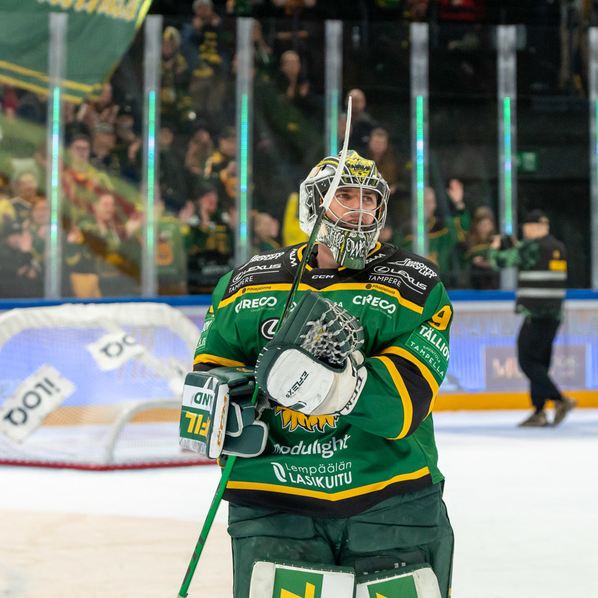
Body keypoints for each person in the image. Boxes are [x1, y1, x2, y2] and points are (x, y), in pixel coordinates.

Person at [188, 151, 454, 598]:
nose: (359, 208)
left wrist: (330, 386)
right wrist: (227, 403)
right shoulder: (248, 283)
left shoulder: (415, 284)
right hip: (273, 502)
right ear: (312, 203)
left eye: (369, 198)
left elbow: (402, 405)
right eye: (344, 195)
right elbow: (208, 376)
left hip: (392, 503)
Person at [489, 209, 576, 427]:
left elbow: (500, 262)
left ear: (531, 227)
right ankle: (539, 411)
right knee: (540, 363)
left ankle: (559, 399)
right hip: (554, 315)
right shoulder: (558, 247)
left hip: (535, 315)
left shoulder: (532, 247)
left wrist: (494, 249)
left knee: (527, 361)